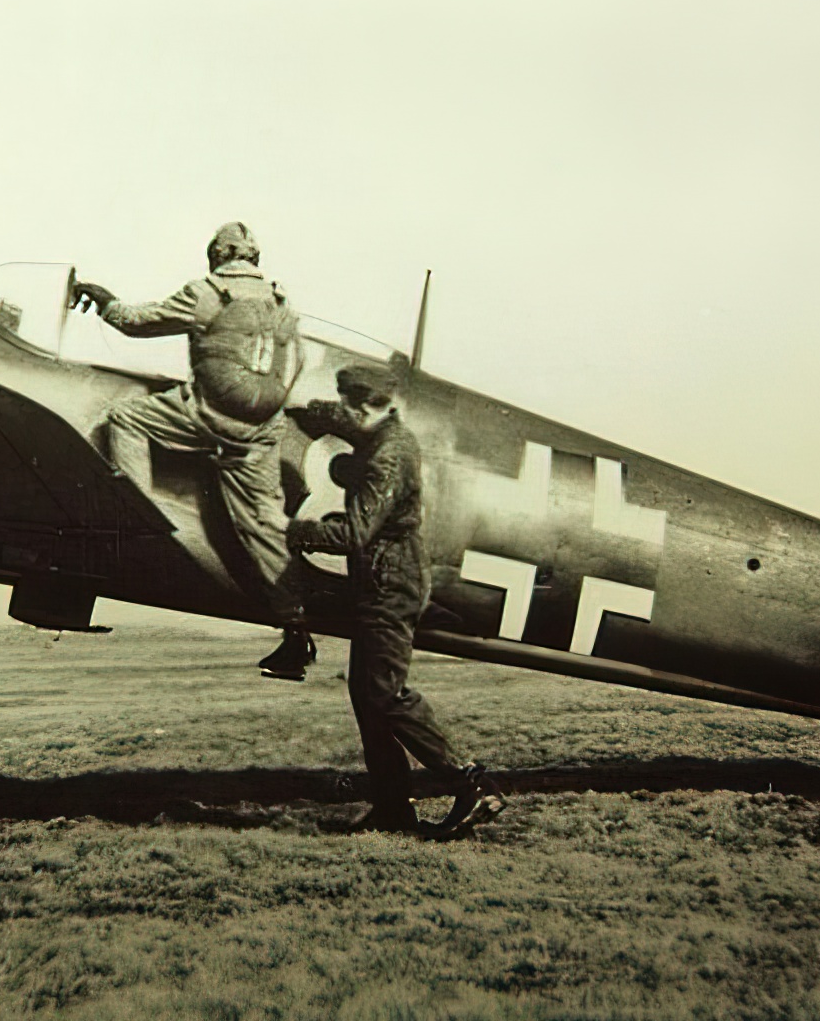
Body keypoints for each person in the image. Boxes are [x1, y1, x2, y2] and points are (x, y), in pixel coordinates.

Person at [71, 222, 310, 669]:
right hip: (259, 433)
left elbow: (137, 323)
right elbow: (296, 360)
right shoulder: (280, 303)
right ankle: (295, 630)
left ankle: (136, 525)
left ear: (217, 256)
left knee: (126, 418)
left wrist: (106, 302)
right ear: (254, 260)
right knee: (265, 530)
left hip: (209, 419)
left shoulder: (206, 293)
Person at [288, 364, 500, 839]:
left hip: (392, 582)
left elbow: (355, 532)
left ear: (363, 406)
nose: (339, 412)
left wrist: (292, 533)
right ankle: (391, 808)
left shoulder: (390, 453)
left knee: (384, 693)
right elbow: (342, 424)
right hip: (380, 579)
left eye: (345, 405)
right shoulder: (383, 433)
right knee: (367, 696)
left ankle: (473, 786)